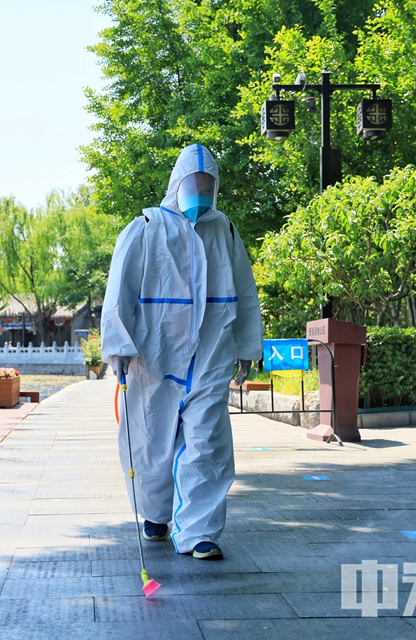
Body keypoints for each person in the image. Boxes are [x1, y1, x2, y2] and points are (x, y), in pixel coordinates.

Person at [101, 143, 263, 560]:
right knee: (151, 438)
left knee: (207, 442)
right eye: (195, 182)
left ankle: (199, 532)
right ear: (177, 183)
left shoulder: (224, 229)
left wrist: (247, 346)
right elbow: (119, 293)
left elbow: (243, 291)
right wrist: (118, 346)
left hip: (210, 355)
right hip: (155, 356)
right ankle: (156, 513)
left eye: (208, 182)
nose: (201, 189)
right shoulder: (146, 227)